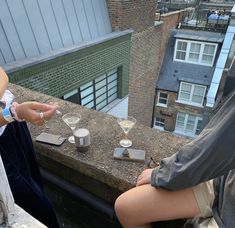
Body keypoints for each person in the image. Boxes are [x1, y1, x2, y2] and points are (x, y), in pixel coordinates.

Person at [114, 90, 235, 228]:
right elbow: (217, 144)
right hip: (224, 181)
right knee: (127, 207)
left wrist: (162, 174)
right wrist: (162, 173)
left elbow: (216, 145)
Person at [0, 67, 60, 228]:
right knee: (34, 204)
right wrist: (13, 113)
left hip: (14, 122)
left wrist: (13, 112)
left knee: (34, 179)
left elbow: (2, 74)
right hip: (4, 141)